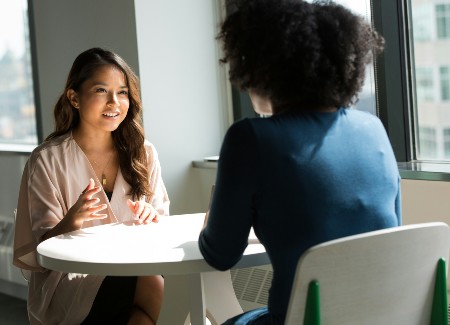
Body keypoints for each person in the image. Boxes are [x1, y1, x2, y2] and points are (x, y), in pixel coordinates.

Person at [198, 0, 401, 324]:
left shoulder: (250, 137)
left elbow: (220, 255)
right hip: (383, 316)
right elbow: (388, 233)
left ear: (263, 70)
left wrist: (212, 224)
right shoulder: (373, 129)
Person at [13, 47, 170, 325]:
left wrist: (151, 216)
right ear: (74, 98)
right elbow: (41, 254)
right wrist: (70, 223)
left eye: (122, 92)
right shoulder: (47, 160)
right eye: (101, 90)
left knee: (144, 313)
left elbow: (162, 226)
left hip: (134, 268)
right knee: (154, 286)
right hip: (69, 282)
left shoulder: (143, 153)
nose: (114, 102)